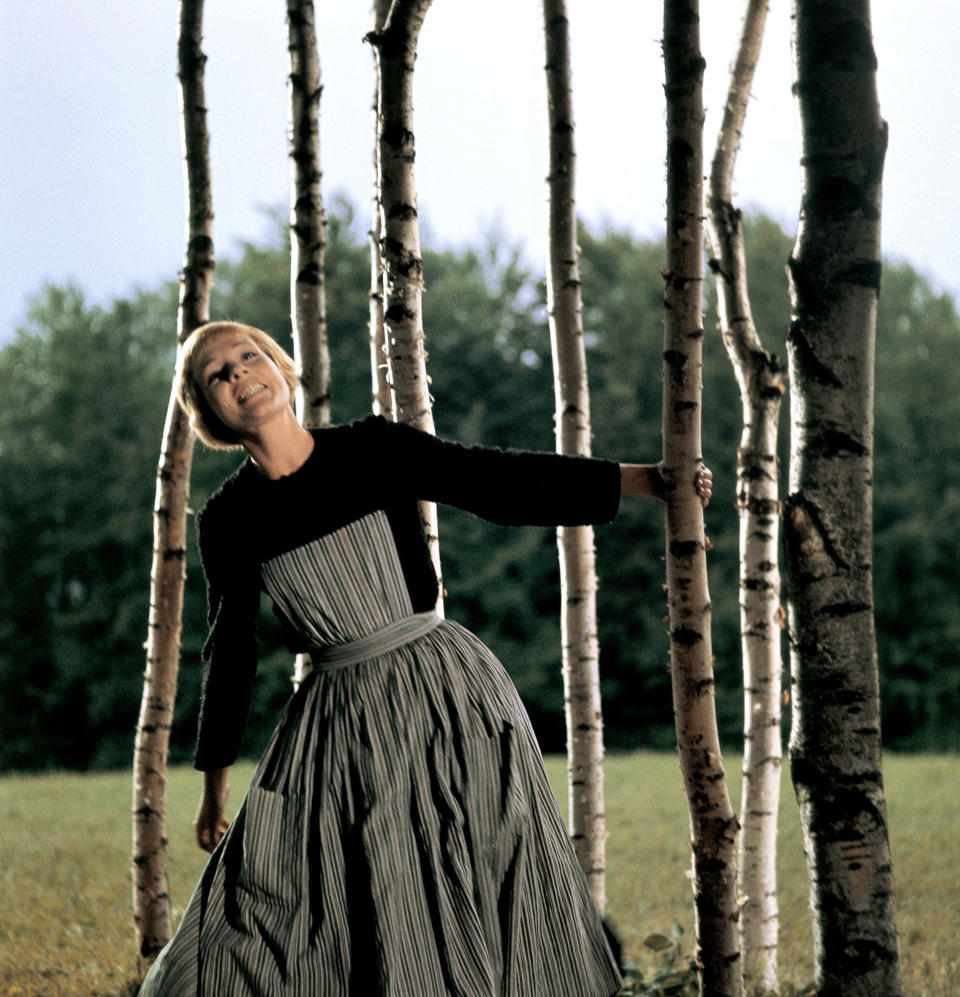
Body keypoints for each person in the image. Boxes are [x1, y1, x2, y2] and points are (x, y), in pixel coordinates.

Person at [139, 321, 712, 997]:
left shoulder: (373, 448)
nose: (239, 374)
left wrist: (643, 480)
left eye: (248, 356)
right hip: (341, 723)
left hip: (448, 695)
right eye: (217, 374)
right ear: (208, 413)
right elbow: (230, 648)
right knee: (292, 894)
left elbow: (493, 480)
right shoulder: (229, 519)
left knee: (482, 860)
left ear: (281, 368)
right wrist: (213, 785)